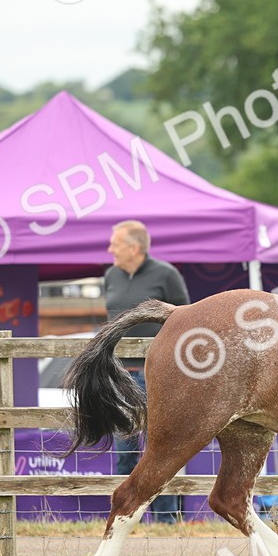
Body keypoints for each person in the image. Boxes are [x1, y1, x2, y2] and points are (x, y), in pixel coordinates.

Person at [104, 219, 190, 522]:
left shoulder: (167, 275)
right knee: (124, 450)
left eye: (115, 243)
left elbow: (186, 322)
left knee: (162, 449)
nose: (110, 249)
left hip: (158, 375)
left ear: (134, 247)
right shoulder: (110, 276)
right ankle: (126, 516)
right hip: (120, 374)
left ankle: (167, 520)